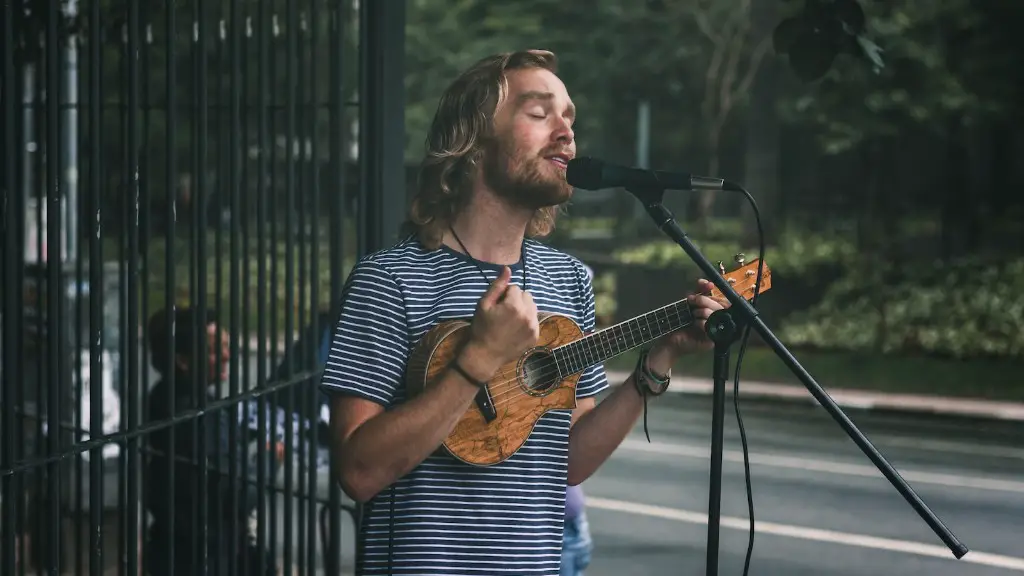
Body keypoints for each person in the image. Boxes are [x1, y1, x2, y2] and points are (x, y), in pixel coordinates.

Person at [321, 49, 725, 575]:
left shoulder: (569, 280)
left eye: (570, 118)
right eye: (539, 113)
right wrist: (477, 360)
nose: (566, 133)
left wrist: (659, 362)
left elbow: (572, 461)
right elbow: (358, 471)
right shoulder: (389, 279)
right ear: (472, 142)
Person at [144, 306, 278, 576]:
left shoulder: (162, 397)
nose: (228, 356)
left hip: (172, 547)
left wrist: (240, 434)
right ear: (183, 361)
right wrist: (269, 459)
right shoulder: (201, 419)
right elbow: (240, 496)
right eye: (217, 350)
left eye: (227, 346)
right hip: (210, 558)